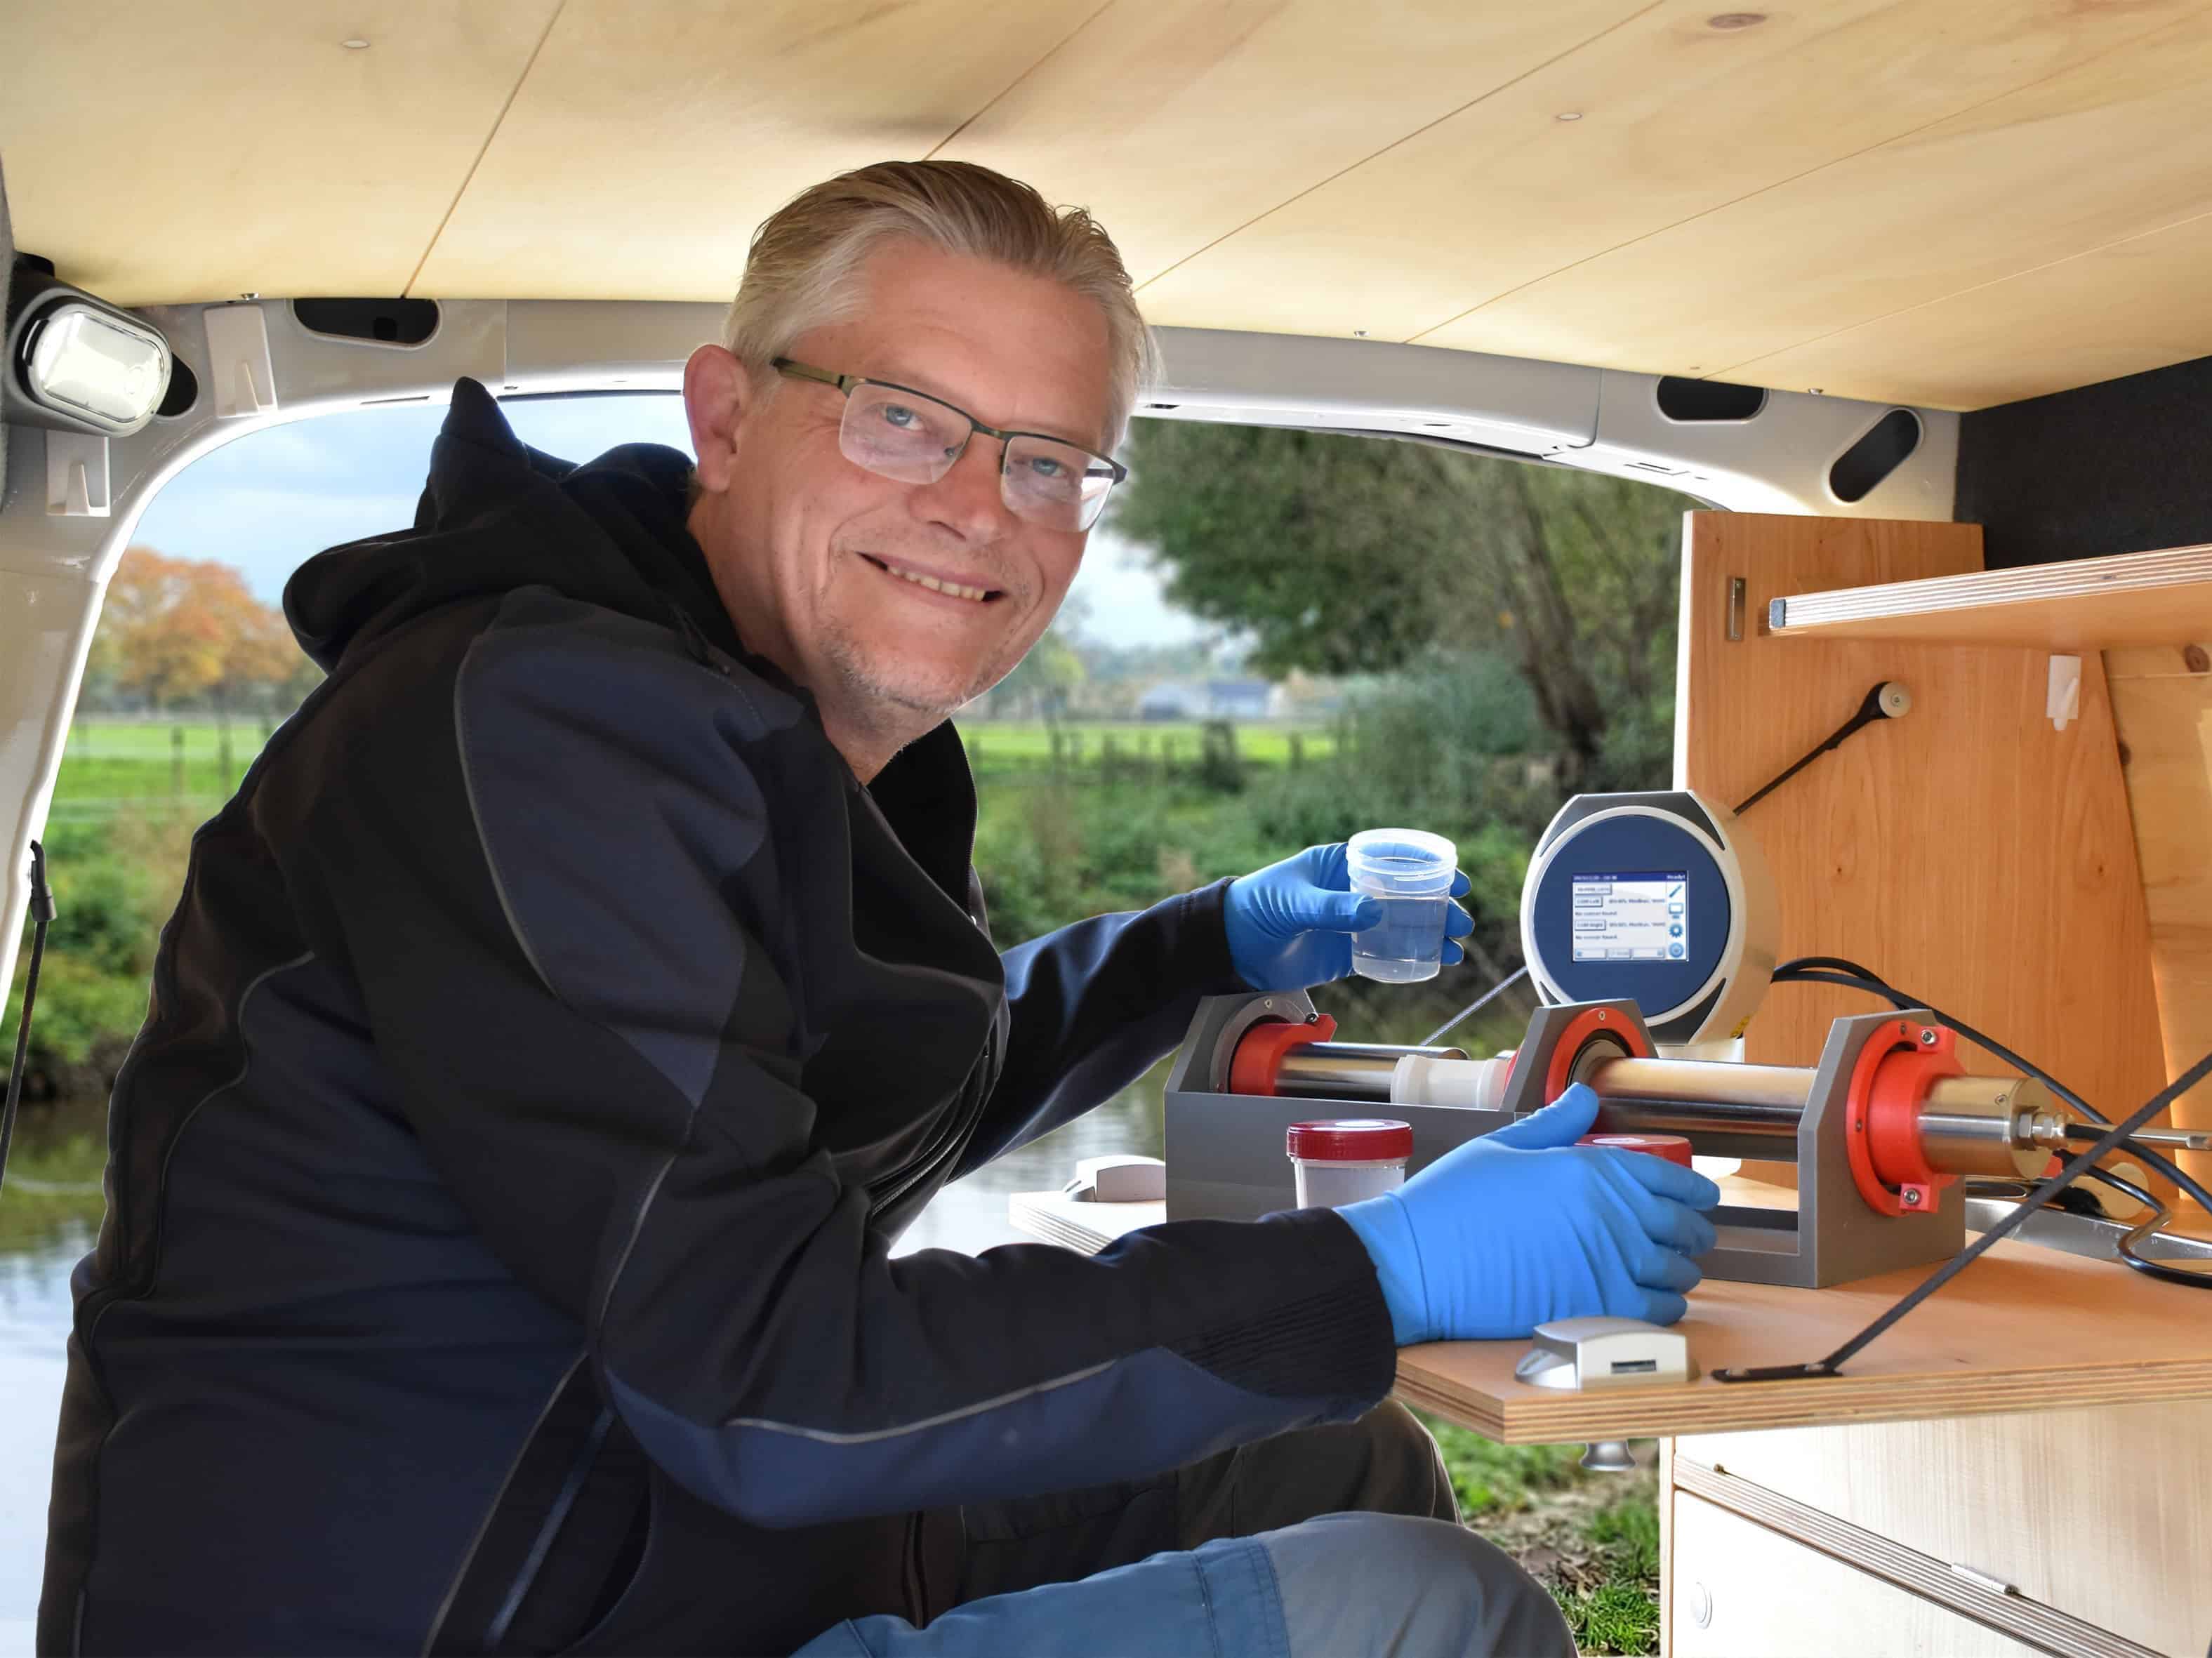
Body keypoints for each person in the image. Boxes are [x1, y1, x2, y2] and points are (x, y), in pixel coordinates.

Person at [39, 160, 1717, 1657]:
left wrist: (1202, 945)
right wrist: (1369, 1268)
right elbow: (768, 1379)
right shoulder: (541, 728)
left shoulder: (747, 719)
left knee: (1339, 1457)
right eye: (902, 414)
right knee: (1444, 1608)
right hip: (455, 1598)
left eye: (1050, 461)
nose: (979, 506)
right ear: (724, 415)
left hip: (636, 1524)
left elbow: (803, 1108)